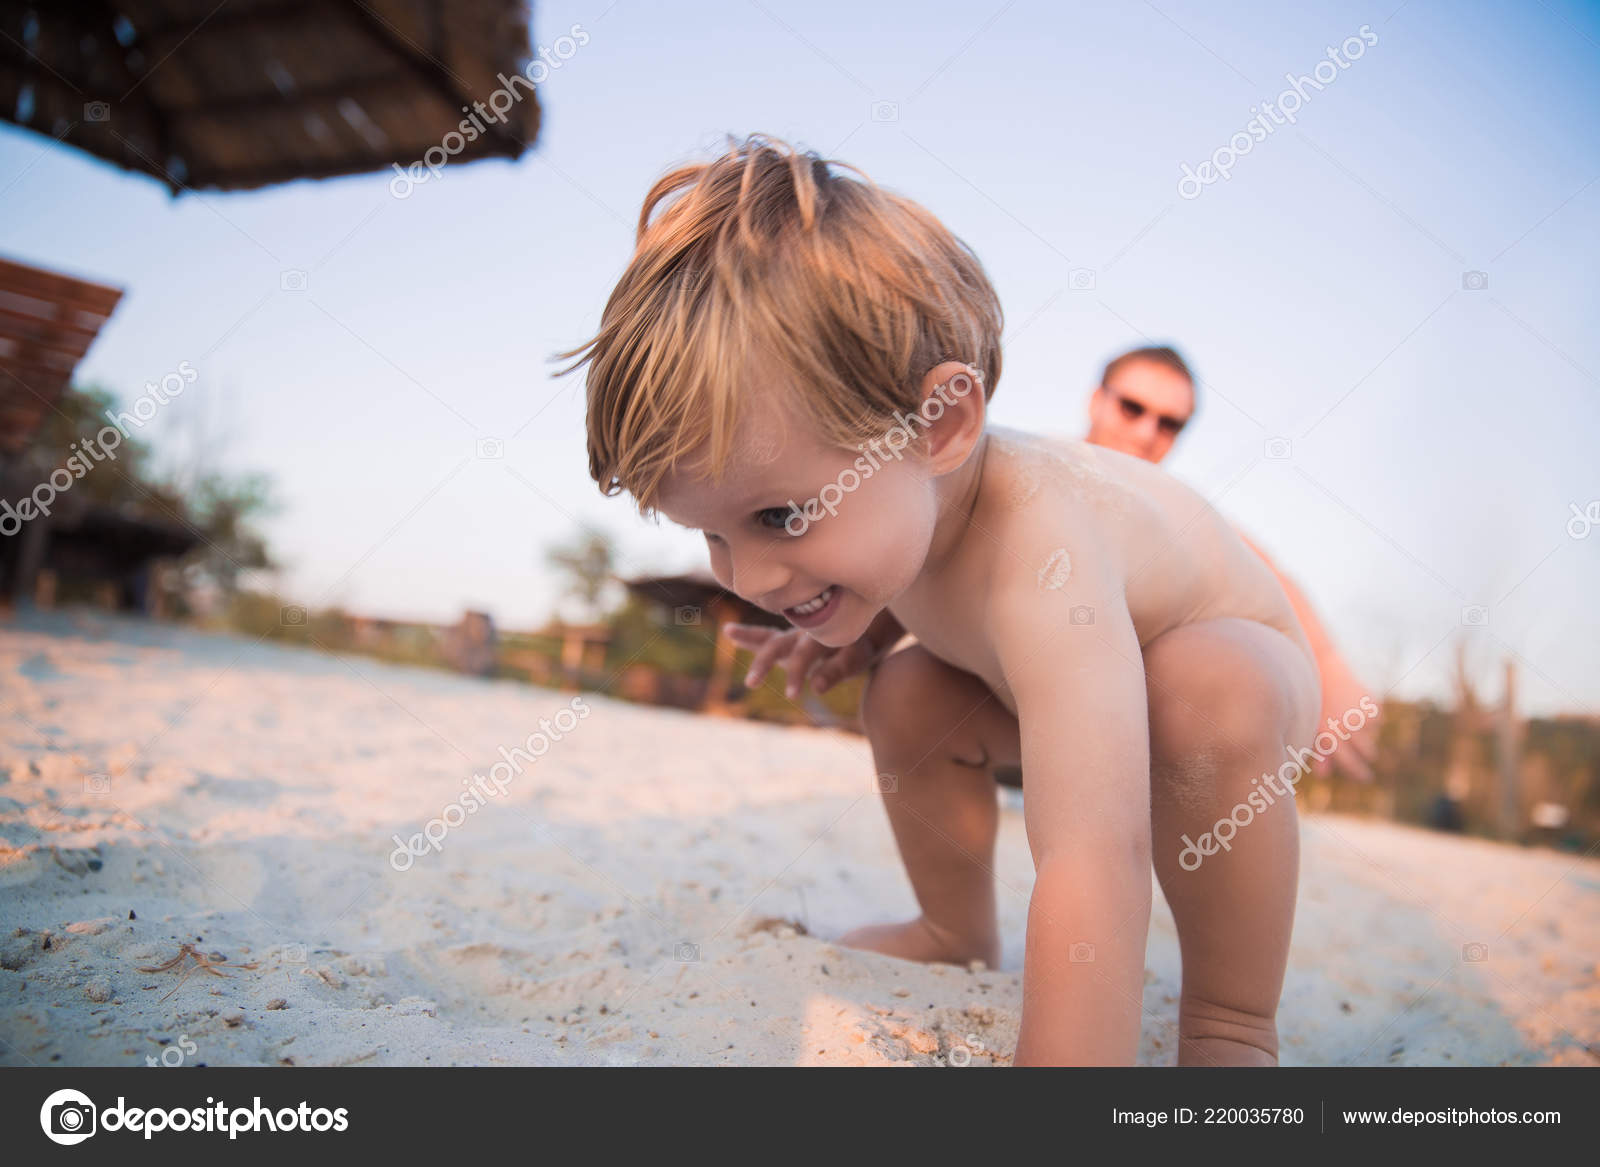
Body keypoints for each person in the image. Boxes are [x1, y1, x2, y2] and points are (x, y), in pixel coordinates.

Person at [560, 135, 1322, 1065]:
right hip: (1049, 692)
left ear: (944, 425)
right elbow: (929, 573)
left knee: (1202, 686)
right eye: (713, 535)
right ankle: (952, 930)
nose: (748, 577)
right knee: (910, 694)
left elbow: (1094, 857)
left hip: (1233, 677)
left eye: (782, 515)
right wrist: (856, 626)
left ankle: (1232, 1020)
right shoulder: (907, 508)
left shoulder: (1045, 545)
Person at [1082, 345, 1379, 782]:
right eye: (1132, 408)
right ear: (1097, 400)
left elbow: (1263, 571)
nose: (1147, 433)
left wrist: (1330, 668)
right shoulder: (1033, 466)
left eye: (1169, 424)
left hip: (1108, 724)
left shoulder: (1174, 509)